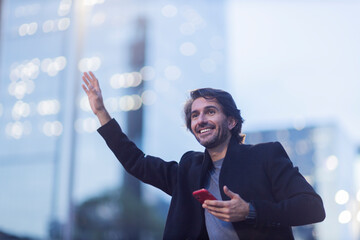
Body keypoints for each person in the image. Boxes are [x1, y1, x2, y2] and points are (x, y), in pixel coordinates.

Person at [82, 71, 325, 239]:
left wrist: (250, 210)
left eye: (210, 111)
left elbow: (313, 208)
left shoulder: (265, 156)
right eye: (195, 115)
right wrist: (102, 113)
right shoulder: (189, 168)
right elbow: (137, 163)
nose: (201, 120)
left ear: (230, 121)